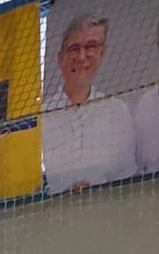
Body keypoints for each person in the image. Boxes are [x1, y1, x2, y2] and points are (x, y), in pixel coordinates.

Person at [42, 12, 138, 194]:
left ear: (102, 53)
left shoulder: (116, 112)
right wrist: (63, 195)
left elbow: (128, 180)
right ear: (61, 58)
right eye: (74, 48)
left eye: (91, 47)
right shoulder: (41, 117)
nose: (82, 56)